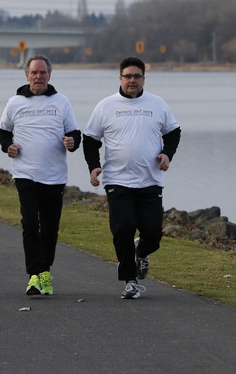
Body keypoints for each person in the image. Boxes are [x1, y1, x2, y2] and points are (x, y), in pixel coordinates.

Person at [83, 56, 181, 299]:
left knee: (153, 234)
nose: (132, 80)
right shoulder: (106, 106)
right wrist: (94, 167)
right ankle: (130, 281)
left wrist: (167, 154)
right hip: (117, 181)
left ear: (143, 79)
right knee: (123, 228)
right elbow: (90, 139)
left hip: (150, 181)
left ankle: (143, 250)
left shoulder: (157, 104)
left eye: (137, 76)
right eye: (127, 76)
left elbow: (173, 132)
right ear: (120, 78)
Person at [0, 55, 81, 296]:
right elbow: (3, 131)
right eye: (34, 72)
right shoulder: (15, 102)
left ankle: (46, 269)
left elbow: (75, 132)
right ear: (27, 75)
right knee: (30, 224)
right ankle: (34, 275)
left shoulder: (61, 102)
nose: (38, 76)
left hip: (54, 176)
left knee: (50, 227)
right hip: (25, 173)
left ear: (49, 76)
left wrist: (72, 142)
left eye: (43, 73)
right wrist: (8, 147)